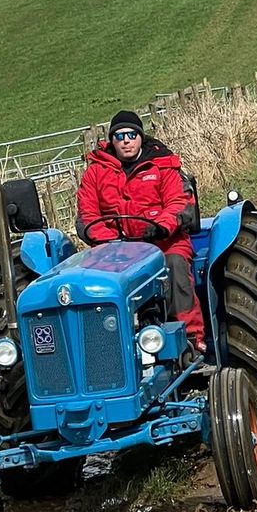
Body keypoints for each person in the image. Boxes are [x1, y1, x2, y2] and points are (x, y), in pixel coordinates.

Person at [76, 110, 204, 350]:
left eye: (131, 134)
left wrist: (160, 228)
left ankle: (191, 338)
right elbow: (87, 215)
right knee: (93, 284)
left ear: (140, 137)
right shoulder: (96, 172)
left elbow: (179, 203)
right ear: (112, 141)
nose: (126, 140)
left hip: (162, 243)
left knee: (175, 266)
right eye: (120, 135)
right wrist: (110, 239)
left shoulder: (162, 165)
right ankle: (107, 347)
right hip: (114, 250)